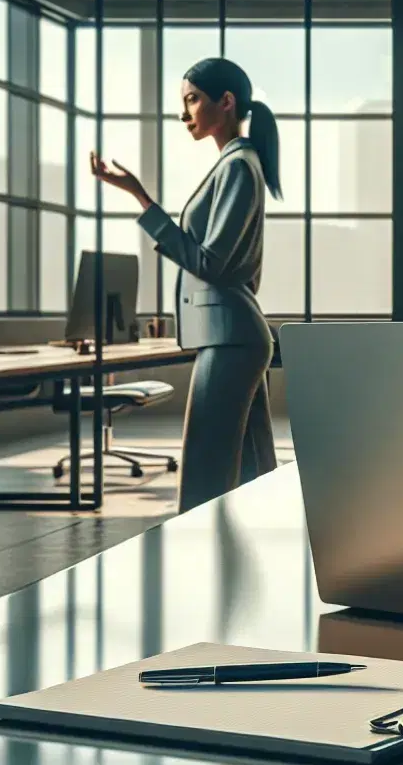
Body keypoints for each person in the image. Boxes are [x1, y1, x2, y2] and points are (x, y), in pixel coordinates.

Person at [88, 56, 279, 512]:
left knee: (204, 477)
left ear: (226, 102)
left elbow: (210, 263)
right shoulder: (236, 164)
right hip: (235, 335)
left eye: (192, 99)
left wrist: (143, 202)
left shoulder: (237, 166)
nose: (183, 113)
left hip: (230, 339)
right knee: (254, 475)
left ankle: (201, 574)